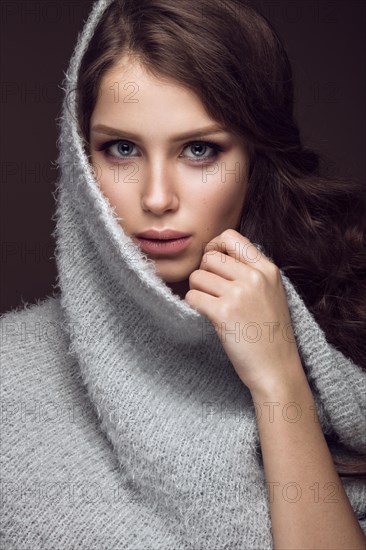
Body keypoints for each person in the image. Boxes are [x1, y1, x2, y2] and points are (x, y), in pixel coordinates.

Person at [1, 0, 365, 548]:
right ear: (80, 160)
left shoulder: (342, 350)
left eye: (199, 150)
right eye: (121, 149)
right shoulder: (10, 380)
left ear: (254, 161)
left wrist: (279, 380)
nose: (156, 198)